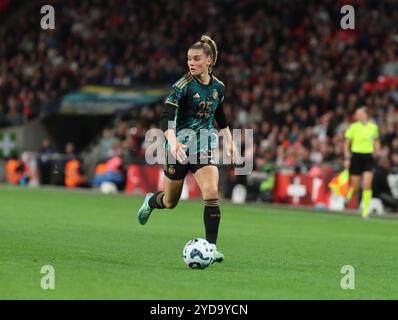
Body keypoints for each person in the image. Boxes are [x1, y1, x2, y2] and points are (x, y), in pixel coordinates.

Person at [137, 35, 240, 264]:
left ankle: (211, 249)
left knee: (212, 192)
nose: (191, 63)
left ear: (209, 61)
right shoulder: (181, 86)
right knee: (170, 202)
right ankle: (151, 202)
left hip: (202, 146)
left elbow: (220, 116)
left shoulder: (218, 87)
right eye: (188, 59)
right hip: (177, 146)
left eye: (196, 59)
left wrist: (230, 142)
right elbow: (166, 117)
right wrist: (173, 142)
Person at [344, 106, 380, 219]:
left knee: (367, 184)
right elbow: (347, 143)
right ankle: (349, 195)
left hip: (368, 157)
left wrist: (377, 151)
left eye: (359, 114)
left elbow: (376, 141)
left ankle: (365, 210)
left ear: (366, 115)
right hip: (356, 156)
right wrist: (347, 156)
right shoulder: (353, 127)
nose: (357, 116)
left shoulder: (373, 127)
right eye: (356, 114)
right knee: (355, 187)